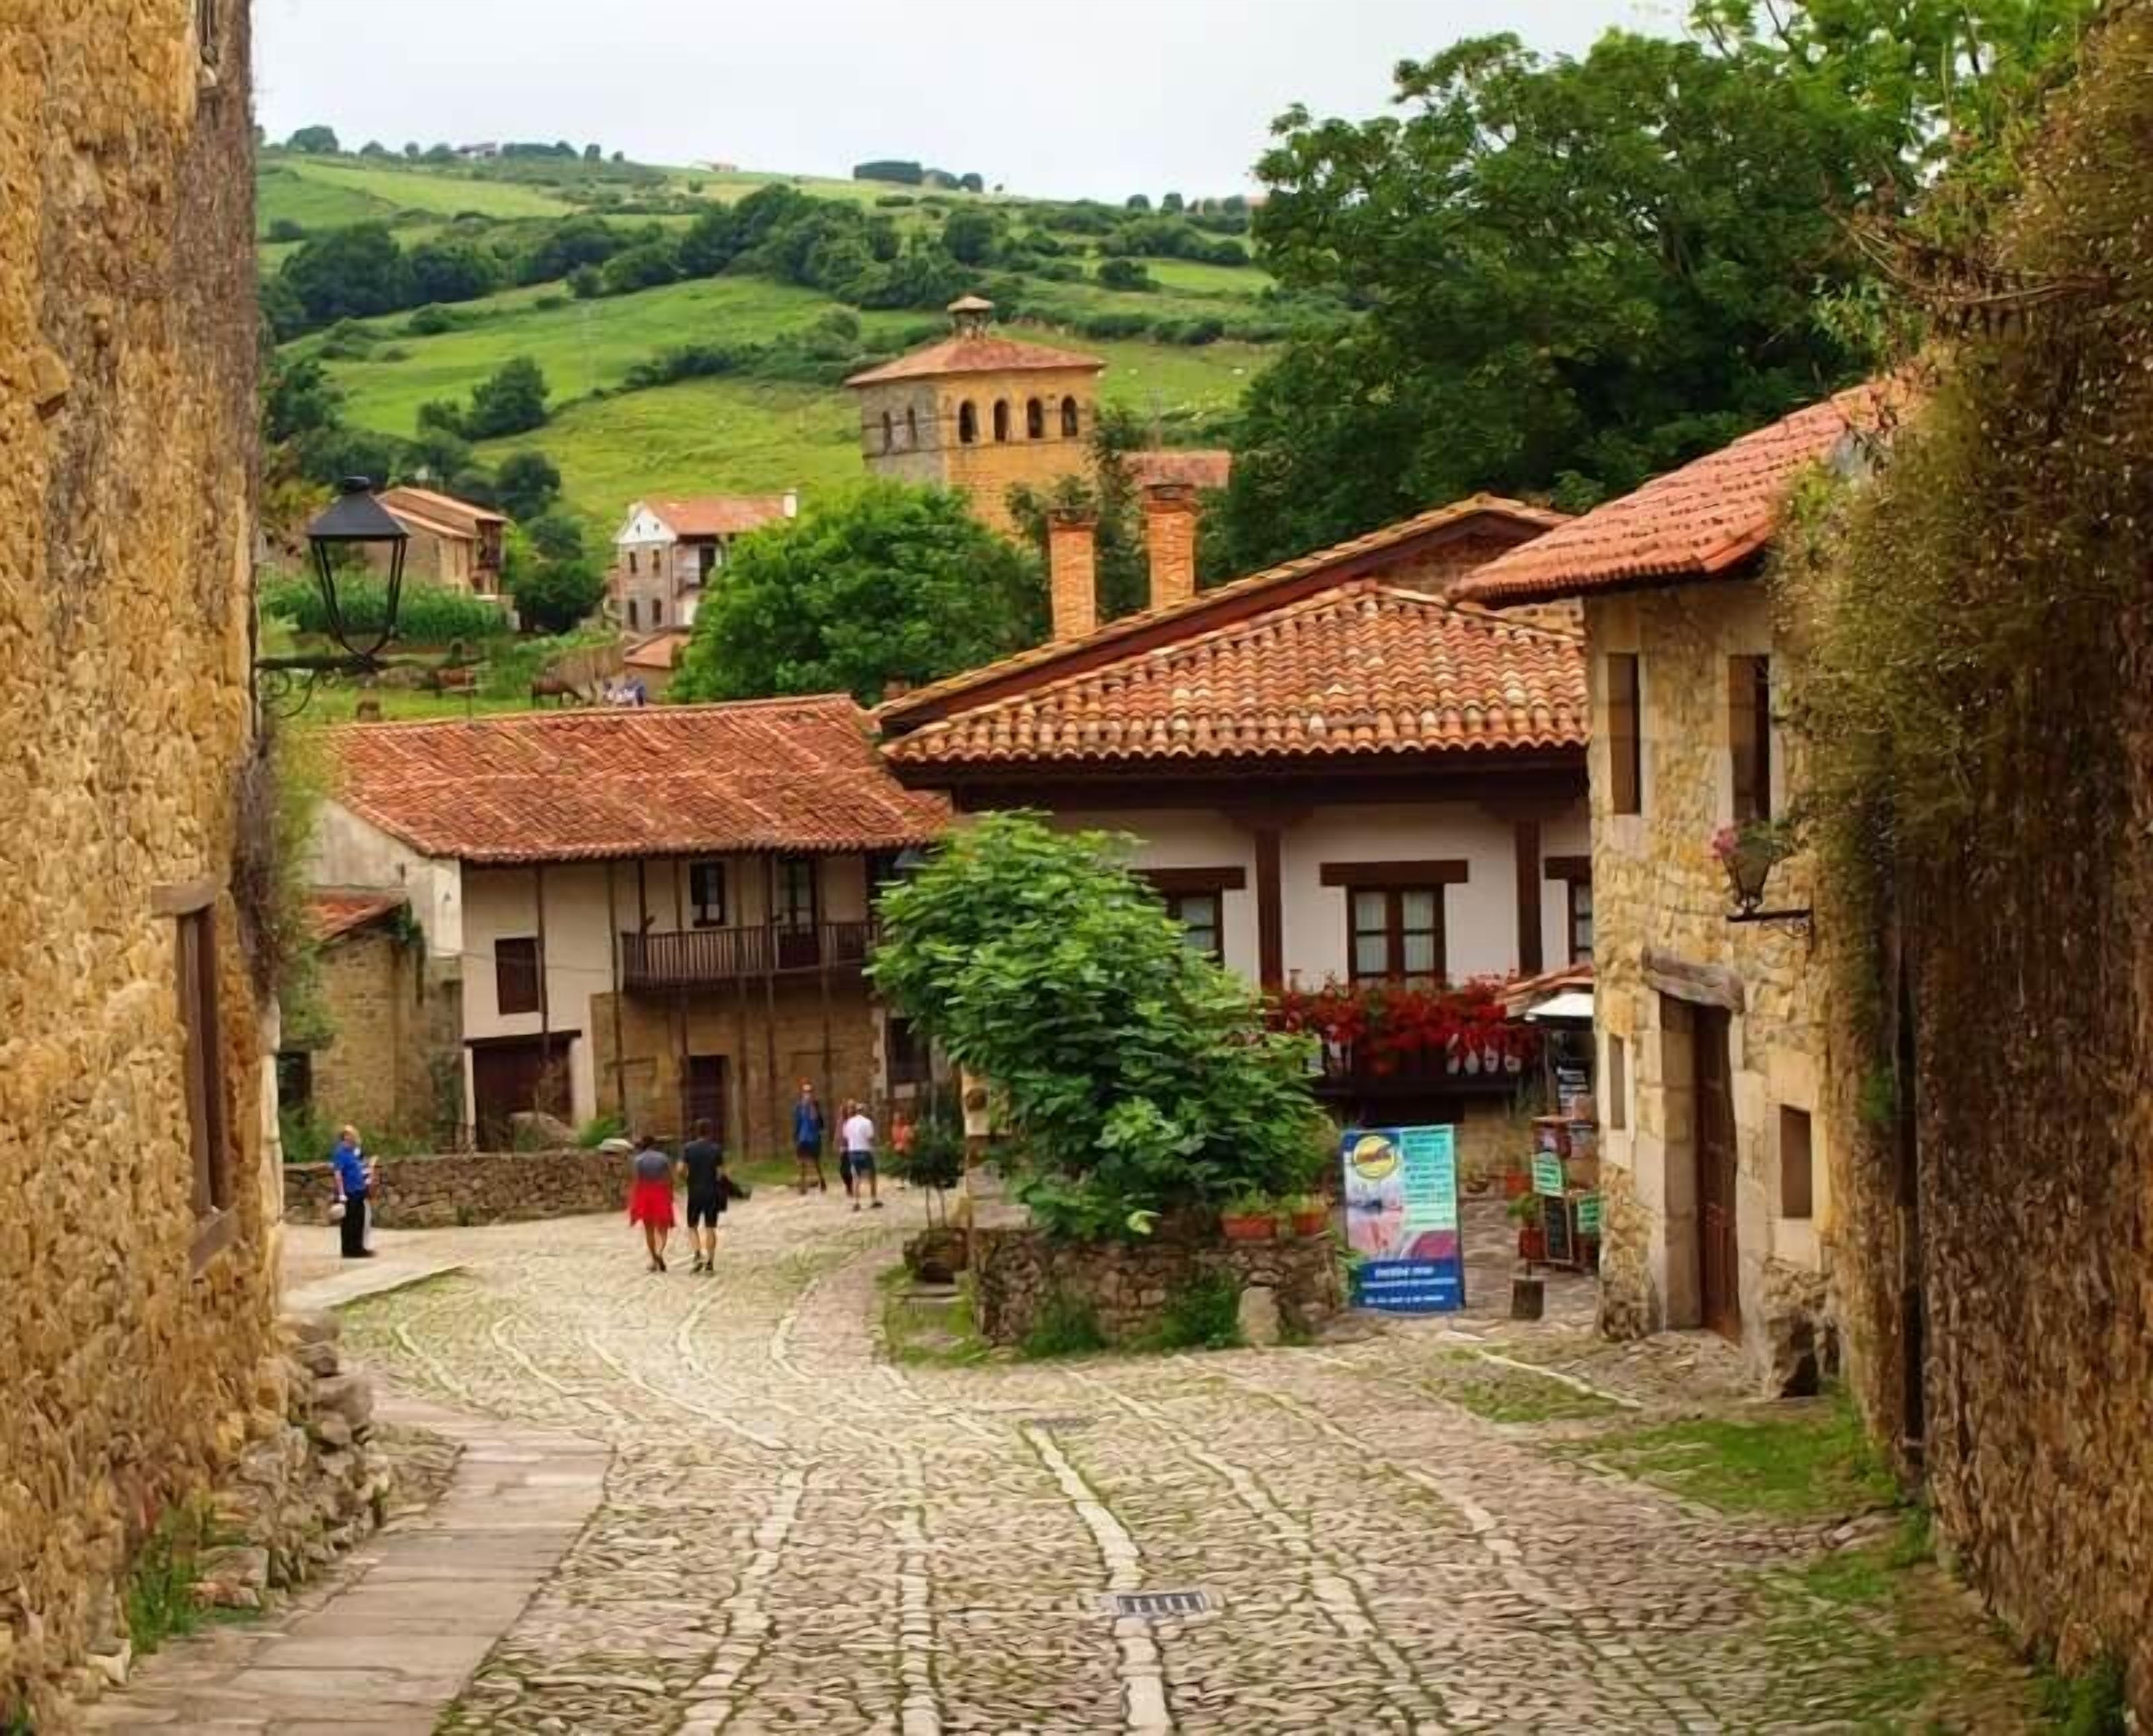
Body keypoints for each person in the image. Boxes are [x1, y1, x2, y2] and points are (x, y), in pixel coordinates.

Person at [680, 1118, 727, 1274]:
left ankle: (697, 1254)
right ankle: (710, 1262)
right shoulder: (716, 1149)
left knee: (692, 1226)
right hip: (711, 1192)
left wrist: (686, 1178)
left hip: (694, 1192)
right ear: (710, 1132)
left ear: (696, 1132)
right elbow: (720, 1174)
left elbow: (681, 1169)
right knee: (710, 1227)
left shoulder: (688, 1148)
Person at [627, 1132, 676, 1272]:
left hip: (645, 1194)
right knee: (663, 1228)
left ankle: (654, 1260)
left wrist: (635, 1199)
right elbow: (670, 1178)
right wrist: (671, 1193)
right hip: (660, 1192)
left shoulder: (638, 1160)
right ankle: (660, 1252)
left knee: (649, 1230)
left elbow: (636, 1180)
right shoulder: (663, 1158)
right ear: (654, 1145)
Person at [331, 1124, 374, 1260]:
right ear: (344, 1138)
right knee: (349, 1221)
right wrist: (341, 1193)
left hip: (359, 1189)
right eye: (349, 1136)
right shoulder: (341, 1152)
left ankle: (358, 1247)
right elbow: (338, 1173)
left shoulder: (354, 1152)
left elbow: (360, 1167)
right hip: (349, 1191)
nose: (351, 1139)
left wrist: (368, 1174)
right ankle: (348, 1249)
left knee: (359, 1220)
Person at [840, 1099, 881, 1213]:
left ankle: (856, 1202)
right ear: (864, 1111)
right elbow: (870, 1138)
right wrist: (874, 1151)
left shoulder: (848, 1123)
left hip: (853, 1152)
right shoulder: (867, 1122)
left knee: (856, 1177)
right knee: (872, 1176)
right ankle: (873, 1199)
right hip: (865, 1150)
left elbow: (846, 1137)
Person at [792, 1081, 827, 1194]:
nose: (808, 1094)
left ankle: (822, 1180)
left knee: (816, 1162)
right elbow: (797, 1122)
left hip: (814, 1138)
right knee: (802, 1163)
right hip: (803, 1137)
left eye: (809, 1091)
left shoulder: (816, 1106)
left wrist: (815, 1113)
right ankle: (803, 1186)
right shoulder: (799, 1107)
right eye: (806, 1092)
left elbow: (821, 1124)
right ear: (802, 1093)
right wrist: (796, 1136)